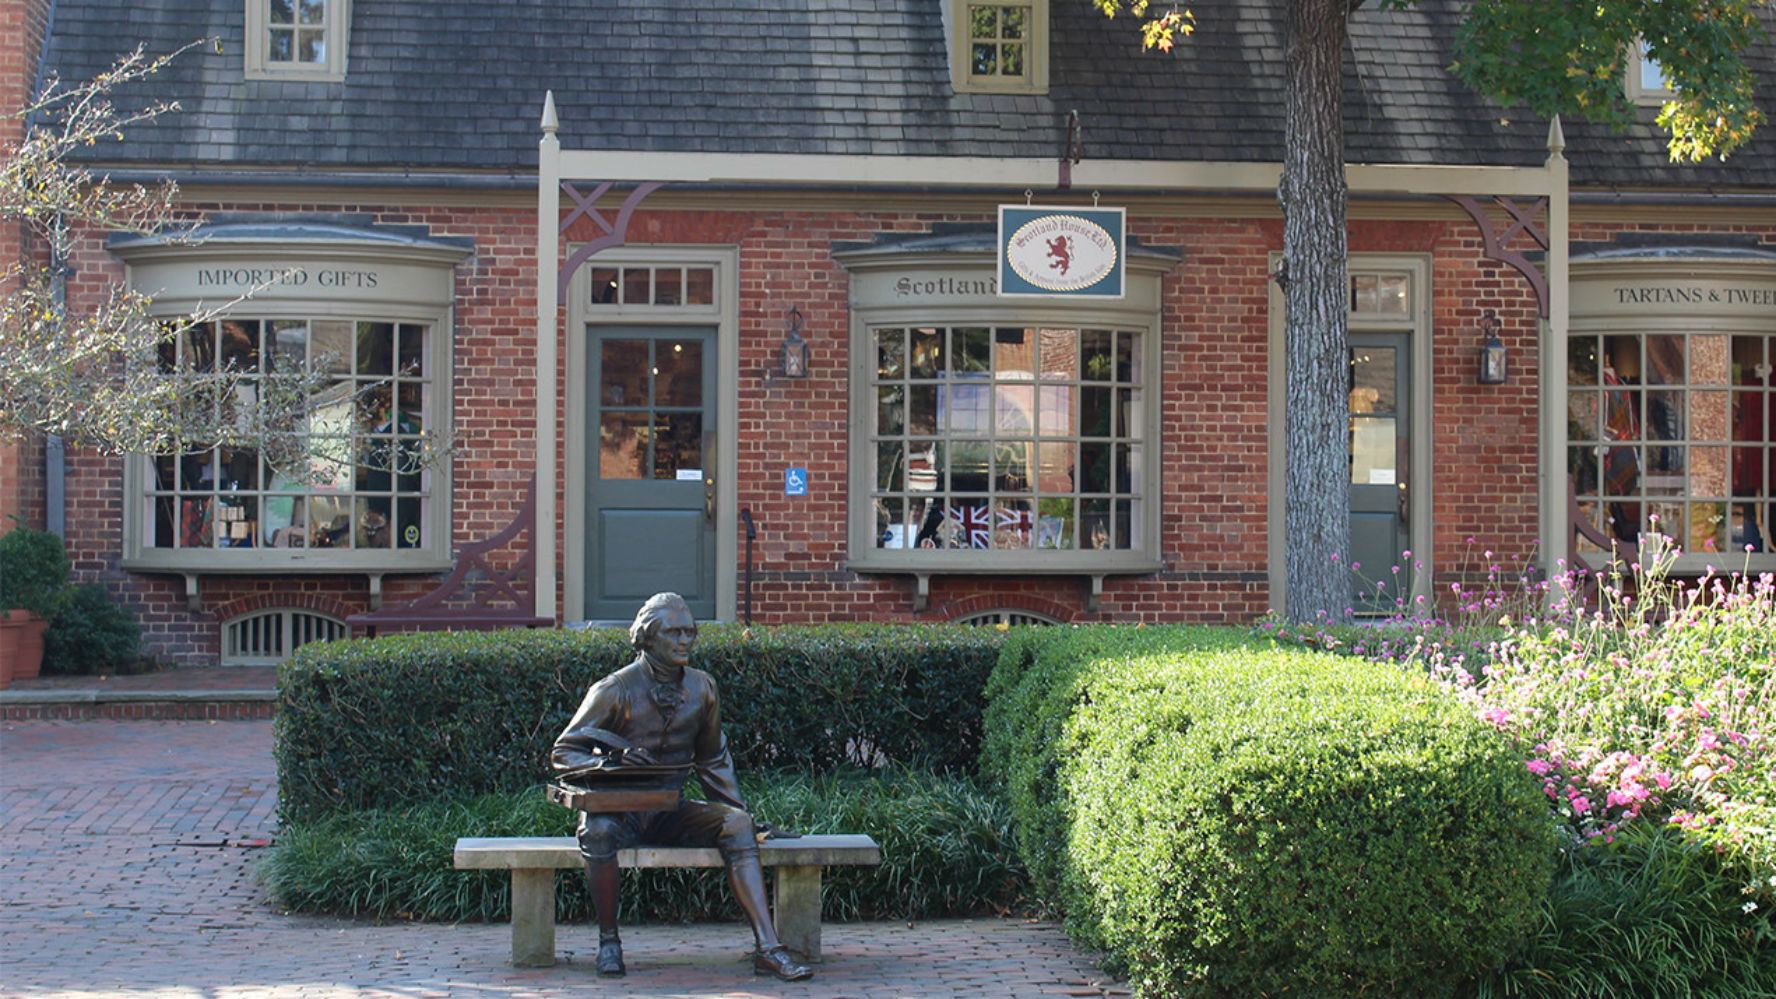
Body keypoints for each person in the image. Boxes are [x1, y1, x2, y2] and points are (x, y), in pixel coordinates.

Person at [551, 593, 813, 982]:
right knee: (597, 830)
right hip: (619, 811)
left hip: (670, 808)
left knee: (737, 825)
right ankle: (609, 942)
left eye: (689, 632)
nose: (685, 640)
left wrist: (740, 813)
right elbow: (563, 752)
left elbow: (712, 760)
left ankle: (769, 950)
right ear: (646, 637)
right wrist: (608, 762)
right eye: (673, 632)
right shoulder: (614, 689)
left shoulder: (703, 688)